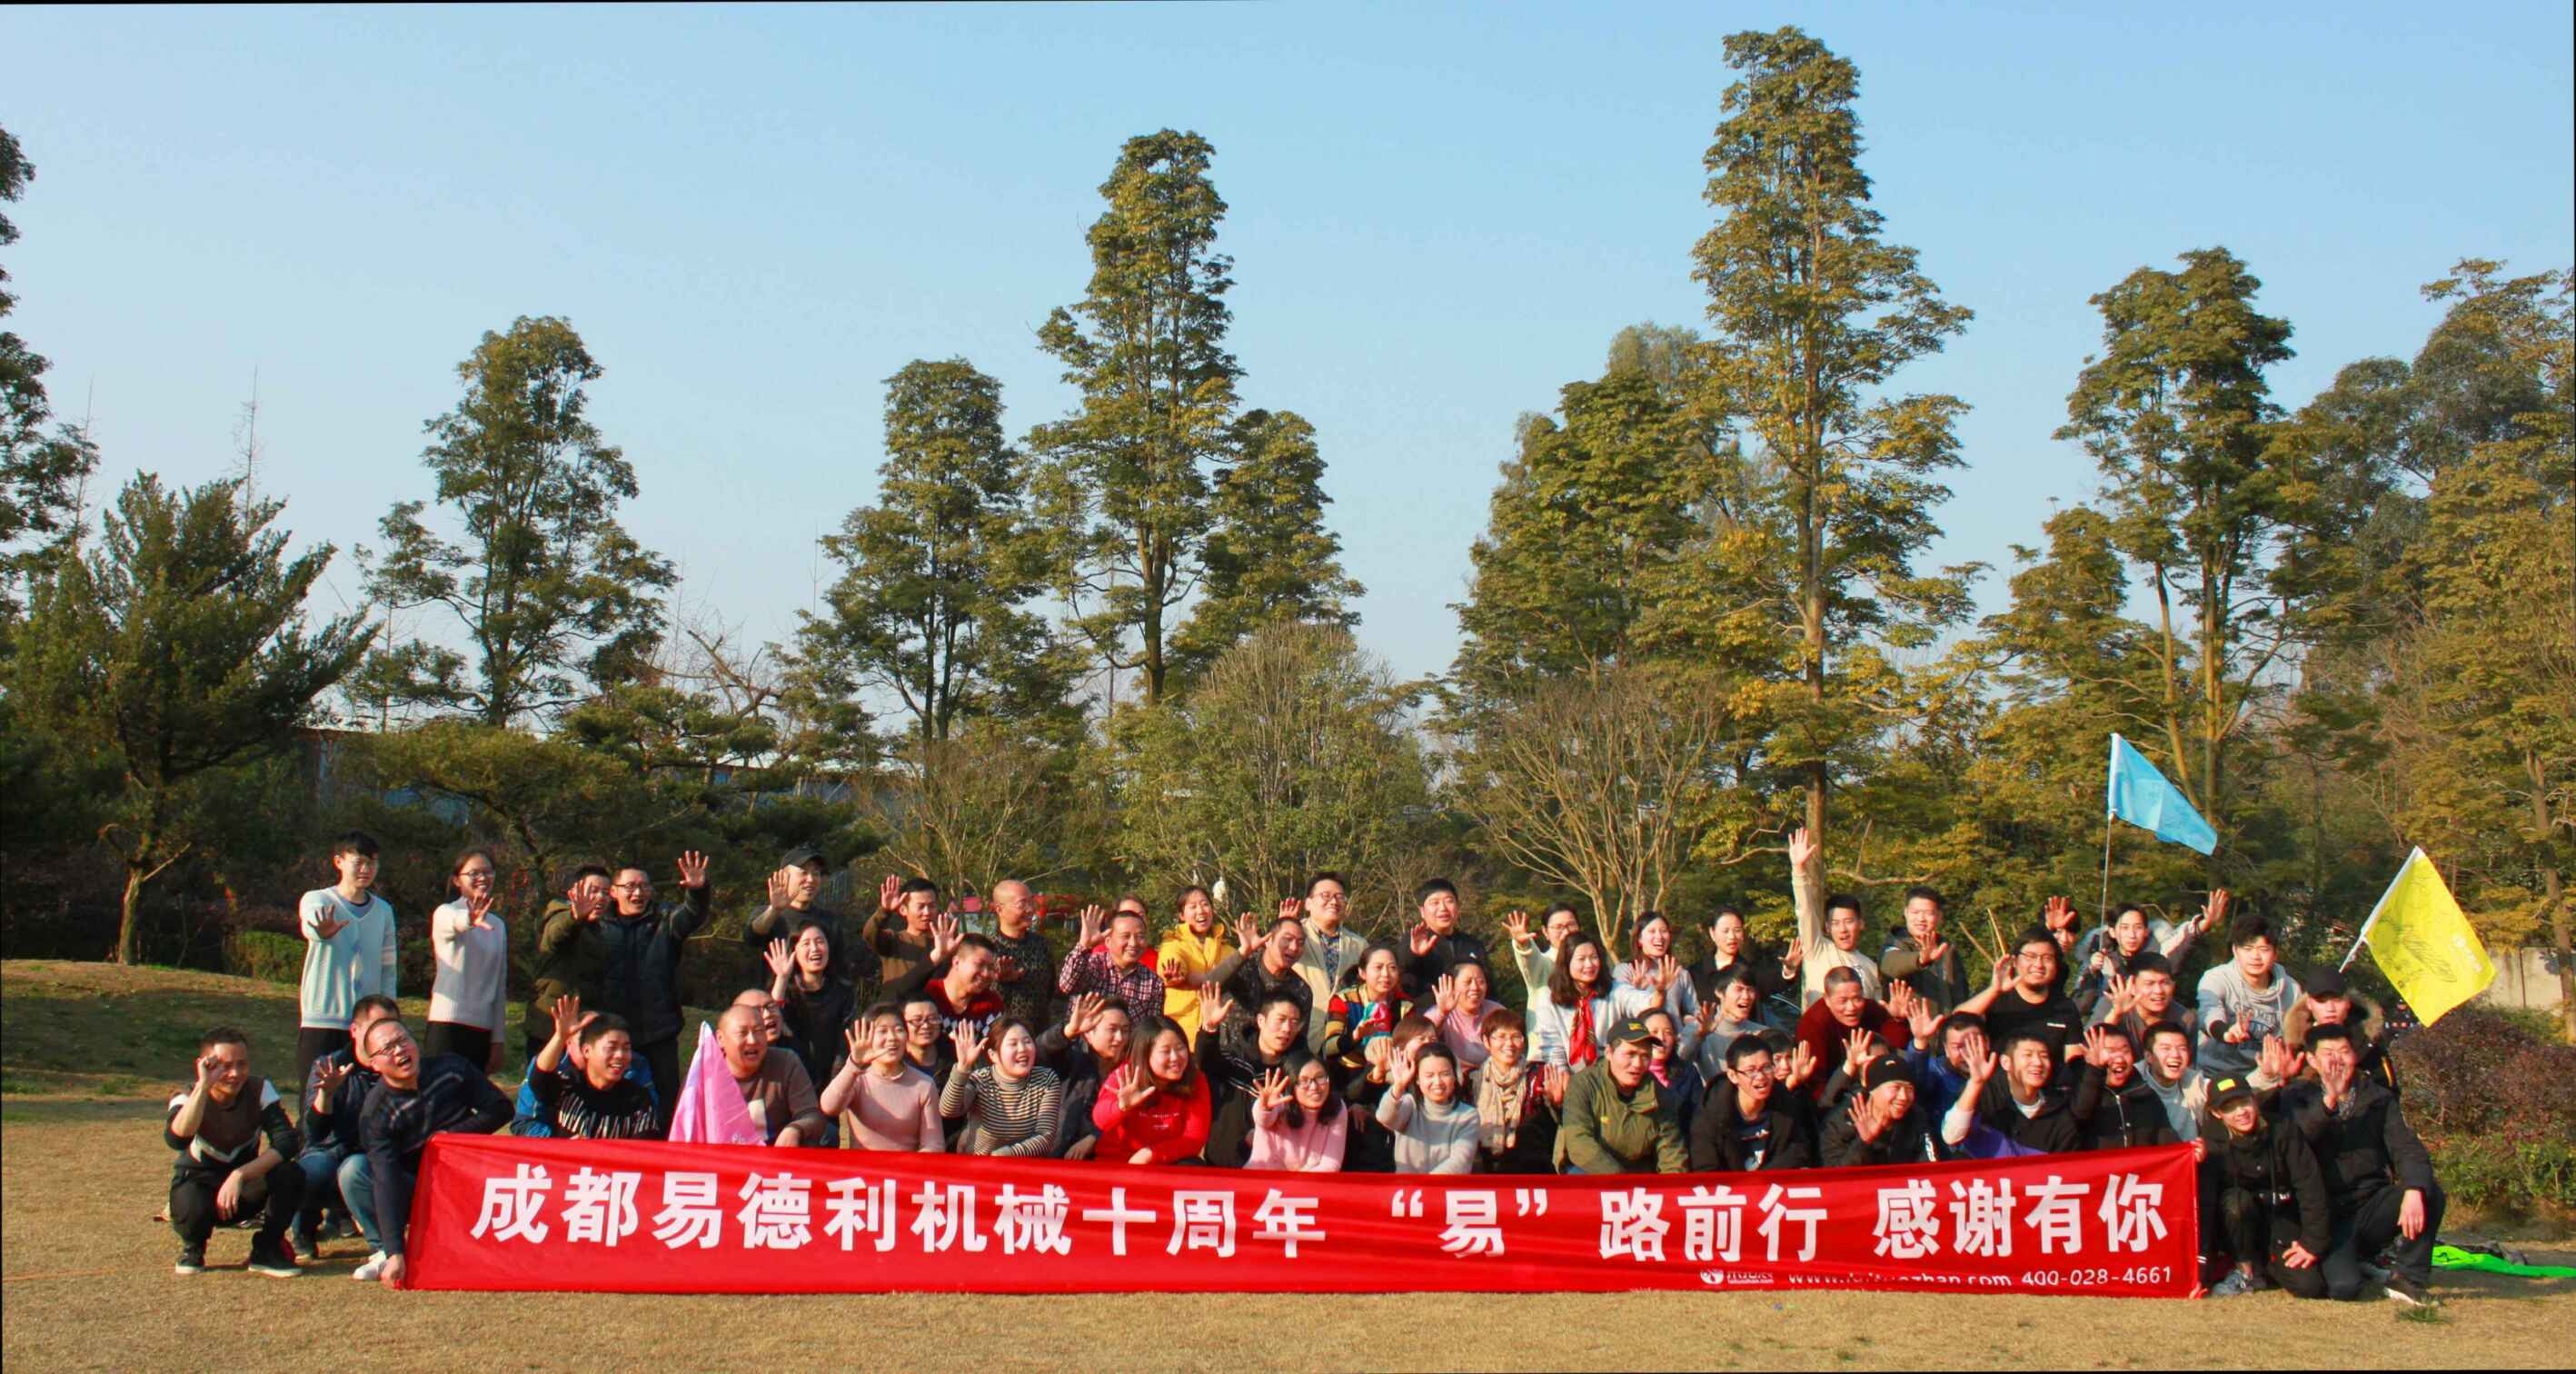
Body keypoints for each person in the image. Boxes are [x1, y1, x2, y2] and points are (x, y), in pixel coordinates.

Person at [532, 851, 711, 1130]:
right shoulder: (595, 925)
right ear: (615, 892)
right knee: (607, 1099)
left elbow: (690, 915)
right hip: (610, 1032)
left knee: (665, 1103)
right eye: (630, 886)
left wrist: (697, 892)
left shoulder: (664, 920)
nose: (638, 893)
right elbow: (556, 936)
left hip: (658, 1030)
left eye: (644, 887)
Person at [2274, 1023, 2444, 1306]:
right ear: (2312, 1060)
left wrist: (2414, 1189)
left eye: (2344, 1052)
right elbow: (2296, 1143)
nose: (2337, 1060)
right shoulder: (2296, 1096)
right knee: (2344, 1288)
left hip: (2369, 1204)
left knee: (2429, 1192)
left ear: (2355, 1056)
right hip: (2323, 1215)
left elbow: (2406, 1148)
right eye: (2328, 1053)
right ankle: (2356, 1261)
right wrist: (2329, 1102)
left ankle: (2408, 1278)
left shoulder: (2377, 1098)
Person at [346, 1019, 511, 1285]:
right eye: (387, 1048)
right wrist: (395, 1251)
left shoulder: (452, 1069)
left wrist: (449, 1138)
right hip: (417, 1186)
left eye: (403, 1040)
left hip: (468, 1176)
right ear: (374, 1064)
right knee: (354, 1172)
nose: (399, 1051)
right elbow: (386, 1179)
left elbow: (501, 1108)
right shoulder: (377, 1112)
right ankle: (385, 1252)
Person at [166, 1028, 303, 1277]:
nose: (236, 1073)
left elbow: (286, 1142)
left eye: (242, 1064)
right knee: (190, 1199)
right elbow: (176, 1139)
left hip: (243, 1190)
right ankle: (193, 1248)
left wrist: (240, 1175)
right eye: (225, 1066)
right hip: (200, 1190)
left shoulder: (259, 1089)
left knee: (289, 1173)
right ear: (205, 1065)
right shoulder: (186, 1096)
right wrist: (203, 1086)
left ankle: (267, 1249)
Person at [2203, 1075, 2332, 1299]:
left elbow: (2310, 1186)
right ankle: (2245, 1271)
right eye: (2229, 1108)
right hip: (2236, 1229)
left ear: (2254, 1100)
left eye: (2244, 1102)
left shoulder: (2282, 1129)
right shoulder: (2211, 1144)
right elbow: (2206, 1204)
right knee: (2235, 1202)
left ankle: (2266, 1268)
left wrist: (2312, 1243)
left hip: (2282, 1221)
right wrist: (2200, 1268)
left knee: (2310, 1287)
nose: (2240, 1112)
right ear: (2216, 1113)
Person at [291, 993, 398, 1255]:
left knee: (355, 1169)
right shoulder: (328, 1065)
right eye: (376, 1026)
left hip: (371, 1158)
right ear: (354, 1030)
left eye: (391, 1026)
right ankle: (303, 1230)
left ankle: (382, 1247)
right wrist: (326, 1095)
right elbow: (314, 1132)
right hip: (327, 1151)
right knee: (308, 1172)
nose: (384, 1035)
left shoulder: (399, 1068)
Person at [295, 830, 398, 1098]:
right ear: (338, 862)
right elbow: (311, 925)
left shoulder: (384, 911)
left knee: (363, 1099)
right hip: (322, 1020)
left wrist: (389, 1015)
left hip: (366, 1026)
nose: (366, 869)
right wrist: (321, 931)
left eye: (372, 863)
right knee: (315, 1097)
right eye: (359, 862)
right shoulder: (318, 899)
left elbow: (388, 968)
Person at [1554, 1017, 1687, 1175]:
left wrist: (1673, 1186)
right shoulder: (1583, 1084)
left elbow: (1672, 1152)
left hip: (1636, 1173)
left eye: (1645, 1056)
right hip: (1588, 1168)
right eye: (1630, 1054)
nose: (1638, 1064)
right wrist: (1620, 1180)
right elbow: (1579, 1144)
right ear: (1609, 1053)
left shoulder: (1660, 1095)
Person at [1954, 920, 2088, 1071]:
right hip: (1997, 1083)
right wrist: (1994, 991)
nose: (2039, 965)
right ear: (2015, 961)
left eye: (2047, 958)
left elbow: (2074, 1063)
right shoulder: (1995, 998)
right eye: (2031, 957)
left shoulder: (2065, 1008)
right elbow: (1956, 1022)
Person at [525, 994, 659, 1140]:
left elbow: (643, 1145)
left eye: (626, 1048)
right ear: (586, 1051)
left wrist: (594, 1149)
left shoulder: (639, 1099)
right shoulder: (567, 1085)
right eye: (611, 1048)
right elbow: (540, 1078)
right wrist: (560, 1037)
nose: (620, 1055)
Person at [1200, 989, 1309, 1167]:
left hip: (1274, 1169)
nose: (1287, 1029)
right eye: (1281, 1020)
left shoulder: (1299, 1069)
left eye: (1294, 1022)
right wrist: (1210, 1029)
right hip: (1224, 1167)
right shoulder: (1234, 1057)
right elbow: (1205, 1060)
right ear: (1261, 1021)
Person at [2072, 894, 2220, 1021]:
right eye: (2125, 928)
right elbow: (2081, 1006)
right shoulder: (2099, 958)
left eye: (2138, 927)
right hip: (2111, 1025)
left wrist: (2205, 924)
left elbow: (2184, 938)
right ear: (2112, 932)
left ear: (2146, 931)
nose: (2132, 935)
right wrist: (2093, 972)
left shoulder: (2159, 951)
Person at [425, 847, 507, 1072]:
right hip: (447, 1026)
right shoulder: (446, 912)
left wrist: (497, 1039)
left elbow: (499, 985)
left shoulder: (498, 926)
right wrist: (470, 919)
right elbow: (453, 923)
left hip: (482, 1029)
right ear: (456, 880)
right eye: (473, 873)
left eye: (488, 872)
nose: (482, 878)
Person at [744, 847, 875, 988]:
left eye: (816, 873)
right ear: (784, 876)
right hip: (775, 997)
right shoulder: (767, 915)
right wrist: (774, 910)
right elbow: (751, 936)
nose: (811, 879)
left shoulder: (829, 920)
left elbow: (839, 969)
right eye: (804, 873)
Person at [820, 1003, 944, 1152]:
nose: (892, 1038)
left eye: (898, 1030)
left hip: (906, 1165)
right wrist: (854, 1064)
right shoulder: (858, 1079)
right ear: (867, 1037)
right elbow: (829, 1107)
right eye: (883, 1031)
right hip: (863, 1165)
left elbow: (934, 1144)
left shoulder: (924, 1084)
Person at [1092, 1014, 1211, 1164]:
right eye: (1165, 1051)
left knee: (1192, 1165)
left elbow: (1194, 1139)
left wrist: (1150, 1154)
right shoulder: (1126, 1075)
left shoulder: (1195, 1079)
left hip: (1164, 1162)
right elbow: (1100, 1121)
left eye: (1180, 1048)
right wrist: (1121, 1107)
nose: (1175, 1057)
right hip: (1119, 1162)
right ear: (1145, 1055)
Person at [2197, 912, 2302, 1080]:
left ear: (2275, 953)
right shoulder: (2217, 978)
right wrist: (2226, 1033)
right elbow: (2209, 1012)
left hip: (2262, 1076)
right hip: (2213, 1073)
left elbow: (2293, 1037)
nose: (2255, 956)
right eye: (2248, 949)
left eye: (2263, 949)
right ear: (2235, 950)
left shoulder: (2292, 990)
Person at [1690, 1034, 1817, 1172]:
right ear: (1733, 1076)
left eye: (1766, 1067)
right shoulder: (1711, 1112)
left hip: (1772, 1183)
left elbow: (1798, 1151)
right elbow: (1705, 1169)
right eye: (1751, 1071)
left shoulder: (1785, 1102)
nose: (1761, 1077)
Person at [1527, 933, 1656, 1070]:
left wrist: (1659, 992)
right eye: (1581, 959)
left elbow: (1645, 1003)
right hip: (1568, 1075)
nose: (1589, 964)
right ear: (1567, 963)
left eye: (1594, 957)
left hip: (1609, 1072)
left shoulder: (1614, 989)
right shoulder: (1548, 997)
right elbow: (1552, 1047)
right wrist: (1563, 1075)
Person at [940, 1016, 1064, 1157]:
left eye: (1027, 1042)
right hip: (980, 1164)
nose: (1022, 1049)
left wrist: (1006, 1155)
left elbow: (1045, 1137)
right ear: (993, 1055)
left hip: (1025, 1165)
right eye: (1013, 1044)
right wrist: (963, 1067)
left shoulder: (1046, 1079)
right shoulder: (980, 1079)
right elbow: (948, 1110)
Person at [526, 863, 613, 1060]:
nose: (600, 897)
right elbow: (555, 936)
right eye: (593, 891)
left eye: (606, 893)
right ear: (574, 892)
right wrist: (574, 917)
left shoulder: (599, 930)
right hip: (549, 1027)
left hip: (582, 1029)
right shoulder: (559, 915)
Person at [1785, 828, 1883, 1005]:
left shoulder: (1871, 967)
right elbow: (1805, 911)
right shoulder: (1818, 950)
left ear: (1861, 923)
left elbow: (1877, 1009)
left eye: (1848, 921)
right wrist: (1798, 869)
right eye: (1836, 923)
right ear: (1828, 927)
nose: (1843, 929)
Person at [712, 1003, 825, 1148]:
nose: (752, 1040)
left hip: (778, 1157)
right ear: (720, 1039)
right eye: (742, 1033)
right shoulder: (707, 1074)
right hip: (723, 1157)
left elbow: (812, 1115)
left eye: (759, 1031)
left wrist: (796, 1129)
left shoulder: (785, 1062)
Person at [1207, 912, 1318, 1052]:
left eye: (1300, 943)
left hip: (1272, 1062)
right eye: (1288, 939)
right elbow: (1207, 987)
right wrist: (1242, 952)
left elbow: (1299, 1042)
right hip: (1226, 1056)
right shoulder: (1241, 967)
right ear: (1268, 940)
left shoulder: (1301, 990)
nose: (1294, 947)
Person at [1791, 968, 1905, 1101]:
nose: (1851, 1008)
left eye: (1857, 999)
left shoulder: (1871, 1009)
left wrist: (1897, 1020)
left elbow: (1896, 1051)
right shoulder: (1813, 1024)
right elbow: (1817, 1088)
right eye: (1842, 1001)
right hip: (1831, 1096)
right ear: (1827, 999)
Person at [765, 924, 856, 1090]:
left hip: (834, 1079)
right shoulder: (784, 990)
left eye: (820, 941)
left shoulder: (843, 991)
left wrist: (836, 1083)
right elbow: (770, 1022)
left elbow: (846, 1042)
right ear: (794, 951)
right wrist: (782, 978)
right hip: (789, 1078)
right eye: (806, 943)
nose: (814, 948)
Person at [1039, 993, 1131, 1160]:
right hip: (1060, 1156)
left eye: (1125, 1031)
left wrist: (1095, 1136)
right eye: (1112, 1030)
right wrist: (1068, 1031)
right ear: (1089, 1033)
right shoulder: (1070, 1060)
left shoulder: (1133, 1071)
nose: (1120, 1038)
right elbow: (1039, 1053)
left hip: (1109, 1160)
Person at [1467, 1008, 1555, 1174]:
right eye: (1501, 1037)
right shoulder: (1472, 1081)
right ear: (1486, 1041)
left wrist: (1555, 1102)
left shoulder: (1537, 1076)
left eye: (1516, 1037)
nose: (1509, 1044)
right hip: (1485, 1167)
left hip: (1529, 1167)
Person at [2281, 969, 2398, 1090]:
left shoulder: (2369, 1045)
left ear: (2348, 1002)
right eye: (2321, 1001)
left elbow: (2389, 1094)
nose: (2330, 1008)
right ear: (2309, 1004)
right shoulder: (2293, 1049)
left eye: (2337, 1000)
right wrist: (2282, 1079)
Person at [1376, 1039, 1480, 1174]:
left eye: (1445, 1074)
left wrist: (1427, 1184)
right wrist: (1398, 1086)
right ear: (1418, 1079)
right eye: (1429, 1076)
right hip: (1408, 1185)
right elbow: (1384, 1117)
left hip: (1446, 1186)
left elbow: (1460, 1162)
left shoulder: (1468, 1115)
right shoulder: (1410, 1104)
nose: (1437, 1082)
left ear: (1455, 1076)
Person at [1972, 1028, 2082, 1154]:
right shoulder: (1988, 1100)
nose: (2038, 1062)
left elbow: (2066, 1163)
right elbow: (1955, 1136)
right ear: (2006, 1062)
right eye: (2028, 1055)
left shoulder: (2060, 1115)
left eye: (2044, 1056)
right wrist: (1975, 1083)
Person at [2069, 1024, 2176, 1150]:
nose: (2120, 1059)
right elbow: (2079, 1115)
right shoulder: (2074, 1091)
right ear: (2087, 1056)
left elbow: (2169, 1144)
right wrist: (2095, 1070)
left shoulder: (2146, 1094)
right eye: (2110, 1052)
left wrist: (2191, 1152)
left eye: (2126, 1052)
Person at [1820, 1053, 1937, 1167]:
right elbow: (1834, 1175)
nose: (1904, 1096)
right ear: (1872, 1089)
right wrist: (1863, 1142)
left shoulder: (1916, 1116)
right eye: (1895, 1088)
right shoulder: (1841, 1120)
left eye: (1909, 1089)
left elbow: (1930, 1168)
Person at [1323, 945, 1419, 1078]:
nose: (1386, 974)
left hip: (1392, 1071)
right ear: (1362, 973)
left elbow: (1411, 1045)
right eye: (1378, 968)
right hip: (1348, 1072)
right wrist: (1355, 1036)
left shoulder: (1405, 1006)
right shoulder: (1343, 1000)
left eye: (1392, 968)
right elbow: (1329, 1048)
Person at [1057, 901, 1166, 1014]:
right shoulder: (1093, 965)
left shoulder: (1153, 983)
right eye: (1125, 936)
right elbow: (1066, 985)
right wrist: (1084, 945)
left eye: (1140, 937)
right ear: (1108, 941)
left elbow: (1152, 1023)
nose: (1133, 943)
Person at [1245, 1055, 1348, 1171]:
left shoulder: (1337, 1106)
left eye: (1320, 1077)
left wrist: (1297, 1182)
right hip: (1262, 1177)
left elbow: (1331, 1164)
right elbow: (1263, 1120)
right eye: (1304, 1081)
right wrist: (1265, 1107)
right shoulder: (1279, 1101)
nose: (1314, 1087)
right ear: (1291, 1085)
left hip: (1310, 1181)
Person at [1687, 906, 1793, 1016]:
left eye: (1737, 930)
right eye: (1725, 931)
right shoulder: (1695, 973)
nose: (1732, 936)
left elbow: (1776, 981)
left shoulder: (1752, 970)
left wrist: (1789, 970)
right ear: (1712, 933)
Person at [1157, 885, 1231, 1038]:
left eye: (1205, 904)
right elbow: (1171, 959)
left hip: (1220, 1034)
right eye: (1193, 907)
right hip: (1182, 1031)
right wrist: (1176, 972)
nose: (1201, 911)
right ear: (1181, 915)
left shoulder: (1227, 949)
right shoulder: (1173, 943)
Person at [1878, 886, 1965, 1014]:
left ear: (1939, 916)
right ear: (1906, 913)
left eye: (1928, 913)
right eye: (1915, 912)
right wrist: (1921, 959)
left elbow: (1960, 993)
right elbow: (1890, 965)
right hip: (1908, 1024)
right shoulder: (1893, 943)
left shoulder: (1947, 949)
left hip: (1946, 1023)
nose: (1921, 919)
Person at [985, 879, 1058, 1025]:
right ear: (999, 909)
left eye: (1031, 902)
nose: (1030, 909)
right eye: (1022, 904)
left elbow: (1050, 989)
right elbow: (982, 1000)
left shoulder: (1041, 944)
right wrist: (1001, 982)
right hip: (1003, 1032)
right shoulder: (988, 949)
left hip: (1041, 1031)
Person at [1402, 878, 1490, 997]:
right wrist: (1413, 953)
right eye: (1435, 903)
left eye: (1449, 901)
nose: (1443, 908)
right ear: (1422, 911)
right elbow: (1398, 973)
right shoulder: (1411, 942)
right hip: (1429, 1007)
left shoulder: (1473, 944)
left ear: (1458, 907)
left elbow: (1489, 988)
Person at [2095, 951, 2199, 1049]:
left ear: (2173, 985)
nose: (2158, 991)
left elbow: (2186, 1061)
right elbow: (2093, 1052)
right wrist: (2115, 1015)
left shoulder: (2185, 1019)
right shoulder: (2111, 1006)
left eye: (2165, 983)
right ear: (2132, 986)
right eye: (2149, 983)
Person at [1295, 873, 1370, 1004]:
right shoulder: (1293, 936)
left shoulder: (1359, 945)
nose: (1334, 902)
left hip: (1345, 1017)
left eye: (1340, 897)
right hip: (1300, 1016)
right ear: (1308, 903)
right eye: (1326, 895)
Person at [1613, 911, 1698, 1028]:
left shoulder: (1679, 973)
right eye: (1652, 931)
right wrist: (1636, 990)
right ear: (1639, 939)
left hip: (1674, 1037)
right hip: (1641, 1037)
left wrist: (1694, 1021)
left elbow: (1694, 1011)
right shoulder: (1625, 971)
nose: (1659, 936)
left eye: (1664, 931)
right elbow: (1618, 1010)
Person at [1690, 967, 1773, 1083]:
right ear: (1719, 992)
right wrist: (1699, 1037)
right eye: (1739, 989)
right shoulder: (1700, 1030)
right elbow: (1679, 1066)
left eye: (1750, 990)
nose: (1746, 996)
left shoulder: (1763, 1034)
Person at [858, 873, 940, 988]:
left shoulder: (944, 944)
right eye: (920, 907)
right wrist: (884, 911)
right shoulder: (894, 940)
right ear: (903, 910)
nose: (927, 912)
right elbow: (869, 934)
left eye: (932, 906)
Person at [1426, 959, 1508, 1069]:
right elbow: (1422, 1040)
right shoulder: (1439, 1012)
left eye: (1480, 982)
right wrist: (1442, 1014)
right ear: (1452, 985)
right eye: (1467, 982)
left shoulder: (1496, 1011)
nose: (1475, 988)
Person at [2138, 1019, 2208, 1143]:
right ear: (2149, 1056)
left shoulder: (2196, 1083)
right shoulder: (2133, 1087)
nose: (2175, 1055)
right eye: (2166, 1049)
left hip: (2191, 1153)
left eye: (2182, 1048)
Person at [1501, 901, 1583, 999]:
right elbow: (1530, 960)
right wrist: (1523, 944)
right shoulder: (1543, 964)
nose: (1566, 932)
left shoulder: (1592, 960)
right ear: (1545, 931)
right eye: (1558, 927)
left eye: (1571, 924)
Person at [1640, 1008, 1706, 1129]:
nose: (1661, 1038)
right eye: (1654, 1032)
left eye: (1668, 1033)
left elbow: (1700, 1118)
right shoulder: (1630, 1073)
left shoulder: (1688, 1073)